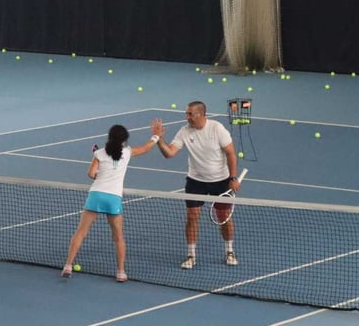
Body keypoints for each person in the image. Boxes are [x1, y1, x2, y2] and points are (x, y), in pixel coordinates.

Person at [62, 121, 161, 282]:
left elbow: (91, 174)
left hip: (96, 195)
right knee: (118, 237)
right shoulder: (127, 152)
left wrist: (101, 171)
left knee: (81, 232)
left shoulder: (99, 153)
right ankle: (121, 272)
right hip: (113, 198)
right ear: (124, 140)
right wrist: (156, 136)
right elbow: (145, 148)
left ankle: (68, 265)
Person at [154, 100, 241, 269]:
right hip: (195, 181)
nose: (187, 117)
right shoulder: (184, 131)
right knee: (192, 217)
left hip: (220, 181)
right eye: (187, 114)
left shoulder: (217, 129)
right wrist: (158, 139)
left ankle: (229, 250)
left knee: (223, 218)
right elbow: (169, 153)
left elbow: (231, 153)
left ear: (200, 114)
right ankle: (191, 255)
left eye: (190, 114)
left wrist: (233, 178)